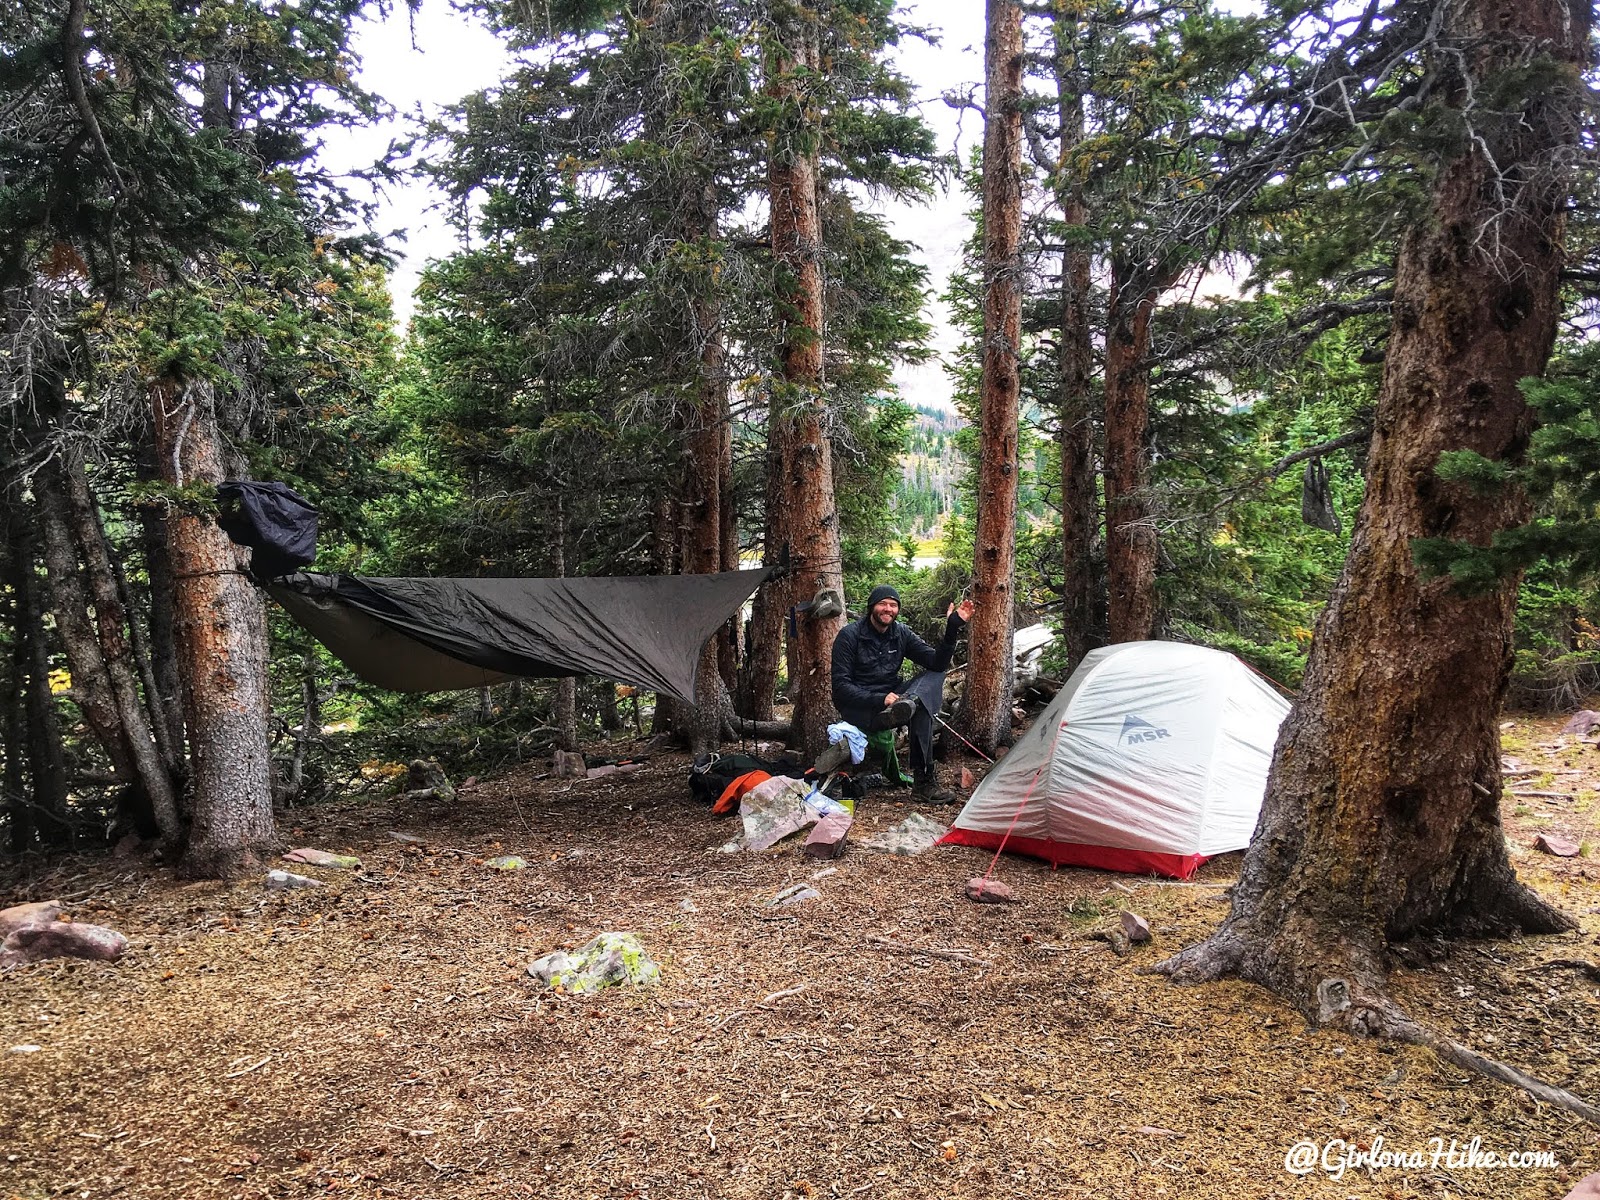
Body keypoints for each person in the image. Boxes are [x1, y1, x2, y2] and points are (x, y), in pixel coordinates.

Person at [821, 584, 975, 804]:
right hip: (861, 710)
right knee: (919, 708)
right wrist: (879, 699)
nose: (888, 609)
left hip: (895, 705)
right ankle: (924, 782)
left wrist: (952, 628)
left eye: (893, 605)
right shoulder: (850, 636)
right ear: (871, 607)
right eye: (883, 604)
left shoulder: (900, 632)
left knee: (927, 687)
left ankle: (922, 779)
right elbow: (841, 688)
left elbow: (937, 663)